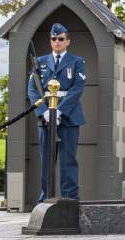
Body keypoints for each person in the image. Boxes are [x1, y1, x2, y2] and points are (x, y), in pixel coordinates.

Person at [27, 23, 86, 202]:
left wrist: (59, 112)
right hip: (46, 118)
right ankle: (46, 198)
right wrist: (44, 111)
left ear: (68, 41)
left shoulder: (77, 62)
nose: (57, 42)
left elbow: (77, 88)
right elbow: (32, 90)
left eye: (61, 39)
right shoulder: (41, 62)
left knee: (68, 161)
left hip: (69, 117)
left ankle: (70, 199)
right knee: (46, 161)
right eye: (54, 39)